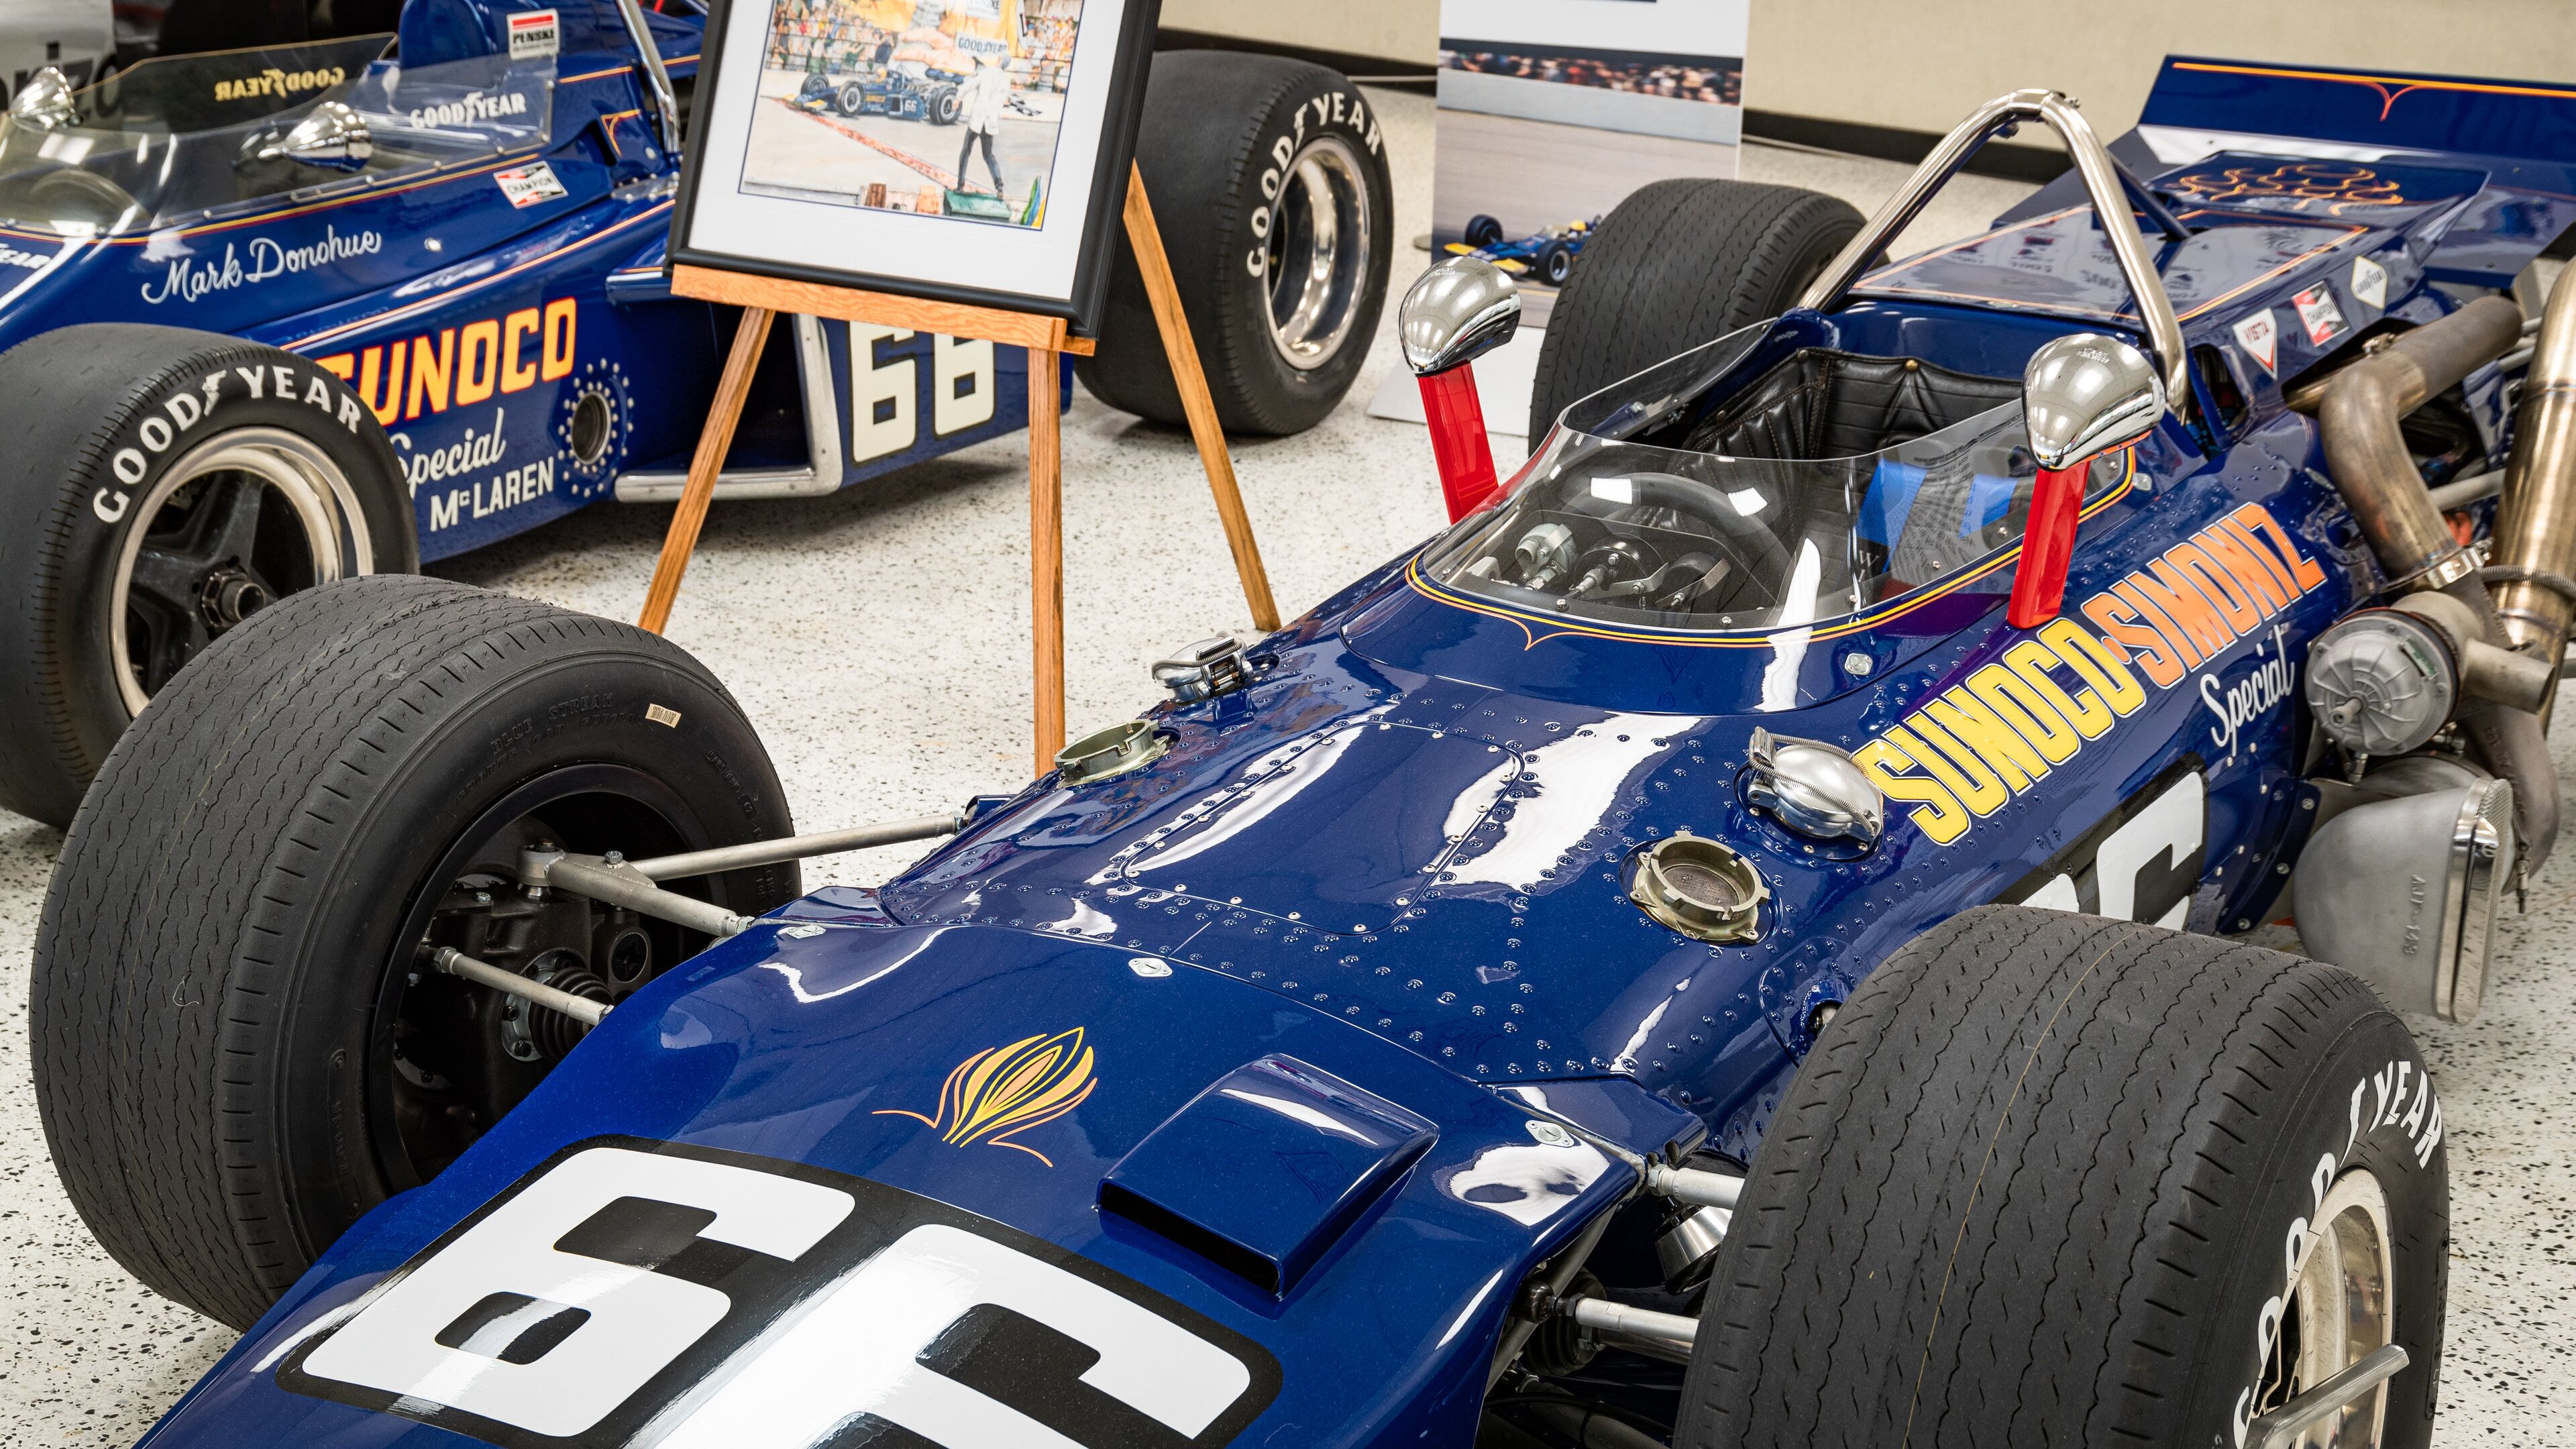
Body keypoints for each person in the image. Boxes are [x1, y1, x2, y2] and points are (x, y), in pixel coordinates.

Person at [955, 52, 1011, 197]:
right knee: (988, 155)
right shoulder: (1006, 80)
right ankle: (999, 187)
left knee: (966, 151)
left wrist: (958, 98)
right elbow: (1005, 100)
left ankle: (960, 185)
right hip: (990, 123)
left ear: (998, 61)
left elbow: (969, 85)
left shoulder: (986, 72)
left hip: (977, 119)